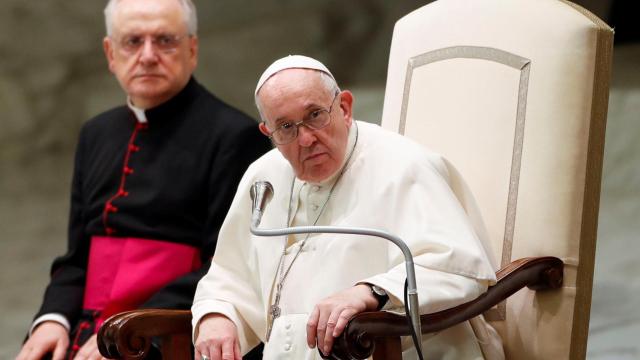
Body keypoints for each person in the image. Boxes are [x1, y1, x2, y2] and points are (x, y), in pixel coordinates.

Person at [191, 55, 505, 359]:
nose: (305, 139)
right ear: (268, 133)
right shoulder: (264, 177)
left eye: (315, 115)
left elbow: (458, 265)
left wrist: (372, 292)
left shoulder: (404, 166)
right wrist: (219, 314)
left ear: (344, 107)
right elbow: (230, 275)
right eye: (285, 127)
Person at [16, 0, 271, 359]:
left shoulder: (235, 136)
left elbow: (231, 264)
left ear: (192, 49)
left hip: (168, 333)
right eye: (132, 41)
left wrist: (134, 326)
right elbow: (77, 258)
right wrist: (52, 319)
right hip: (87, 330)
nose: (148, 55)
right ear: (110, 53)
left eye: (165, 40)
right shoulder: (96, 133)